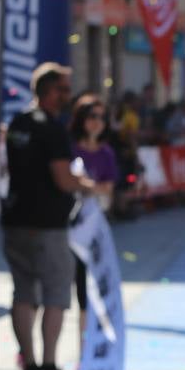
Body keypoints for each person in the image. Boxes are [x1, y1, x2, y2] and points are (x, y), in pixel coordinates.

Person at [2, 63, 100, 370]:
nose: (68, 96)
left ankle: (29, 366)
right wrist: (86, 184)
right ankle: (47, 366)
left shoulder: (18, 123)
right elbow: (62, 177)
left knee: (24, 293)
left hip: (16, 220)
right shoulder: (52, 130)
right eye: (64, 89)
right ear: (49, 91)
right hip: (46, 225)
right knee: (56, 294)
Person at [69, 95, 118, 332]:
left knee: (88, 289)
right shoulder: (70, 149)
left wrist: (84, 185)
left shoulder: (106, 153)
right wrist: (86, 186)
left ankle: (84, 348)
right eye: (92, 117)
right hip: (68, 227)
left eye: (102, 117)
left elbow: (108, 188)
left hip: (94, 228)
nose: (97, 122)